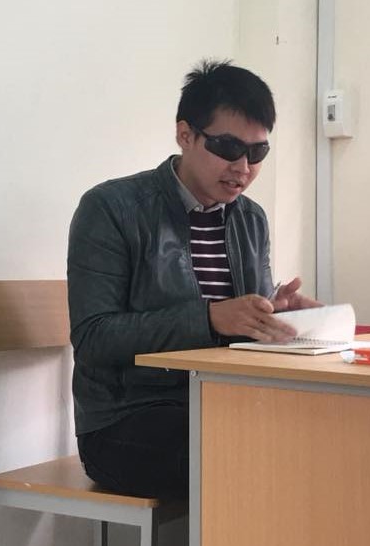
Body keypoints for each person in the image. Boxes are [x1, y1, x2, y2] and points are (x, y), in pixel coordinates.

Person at [67, 59, 319, 498]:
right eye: (228, 147)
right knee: (265, 454)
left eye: (257, 153)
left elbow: (239, 332)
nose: (243, 167)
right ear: (185, 135)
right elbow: (94, 337)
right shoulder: (112, 208)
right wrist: (211, 318)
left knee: (330, 429)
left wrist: (273, 312)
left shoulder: (250, 219)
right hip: (124, 420)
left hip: (219, 401)